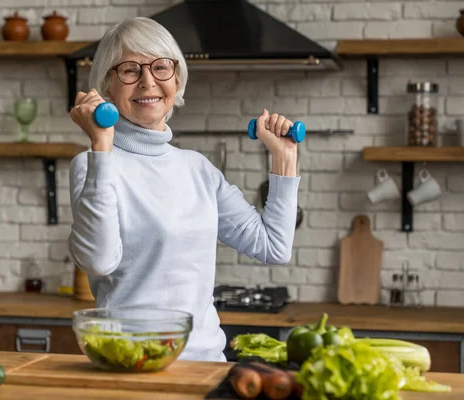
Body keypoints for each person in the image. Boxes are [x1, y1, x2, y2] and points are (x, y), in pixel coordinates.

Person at [68, 17, 300, 362]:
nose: (148, 82)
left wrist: (284, 157)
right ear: (107, 85)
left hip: (206, 364)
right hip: (132, 364)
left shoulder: (198, 168)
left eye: (161, 67)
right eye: (130, 70)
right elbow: (99, 262)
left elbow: (273, 247)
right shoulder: (93, 164)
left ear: (176, 79)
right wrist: (102, 142)